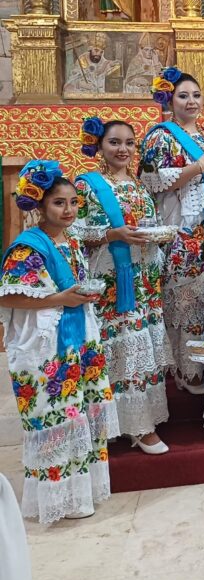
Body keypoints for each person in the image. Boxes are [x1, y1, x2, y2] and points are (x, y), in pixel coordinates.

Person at [0, 161, 119, 523]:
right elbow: (7, 297)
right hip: (46, 345)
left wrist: (80, 297)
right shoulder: (28, 247)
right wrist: (59, 300)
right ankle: (57, 499)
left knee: (77, 412)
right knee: (54, 415)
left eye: (72, 202)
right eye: (58, 204)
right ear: (39, 206)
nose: (68, 210)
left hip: (77, 336)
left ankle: (80, 494)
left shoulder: (69, 239)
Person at [75, 118, 173, 455]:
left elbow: (148, 226)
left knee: (139, 346)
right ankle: (123, 426)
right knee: (120, 348)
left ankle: (138, 421)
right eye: (115, 142)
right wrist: (111, 235)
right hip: (110, 280)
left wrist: (155, 236)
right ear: (100, 146)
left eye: (130, 143)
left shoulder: (139, 184)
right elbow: (74, 232)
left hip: (142, 277)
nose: (123, 150)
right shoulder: (87, 186)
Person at [139, 68, 204, 393]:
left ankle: (202, 365)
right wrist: (196, 168)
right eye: (183, 95)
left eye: (196, 95)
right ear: (170, 100)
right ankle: (186, 371)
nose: (191, 101)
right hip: (178, 229)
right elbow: (150, 179)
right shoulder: (160, 135)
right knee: (183, 299)